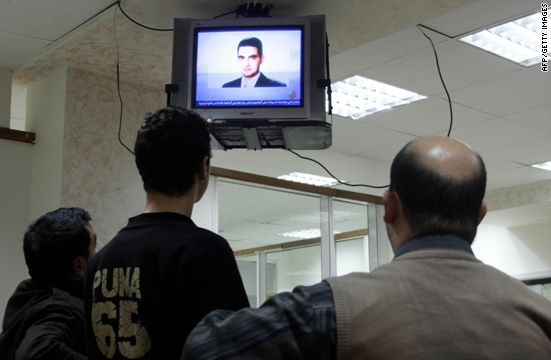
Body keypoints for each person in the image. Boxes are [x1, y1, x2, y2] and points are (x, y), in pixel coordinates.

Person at [182, 136, 551, 360]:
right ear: (480, 214)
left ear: (389, 207)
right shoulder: (540, 314)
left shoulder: (329, 308)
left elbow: (205, 350)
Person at [84, 106, 250, 359]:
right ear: (203, 167)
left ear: (142, 167)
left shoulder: (98, 263)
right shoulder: (206, 252)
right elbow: (238, 349)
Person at [0, 207, 96, 360]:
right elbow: (35, 352)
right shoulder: (64, 308)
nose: (97, 254)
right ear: (79, 266)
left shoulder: (26, 292)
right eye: (94, 247)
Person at [222, 37, 286, 88]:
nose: (246, 64)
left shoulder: (278, 87)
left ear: (262, 59)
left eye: (252, 58)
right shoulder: (227, 87)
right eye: (242, 58)